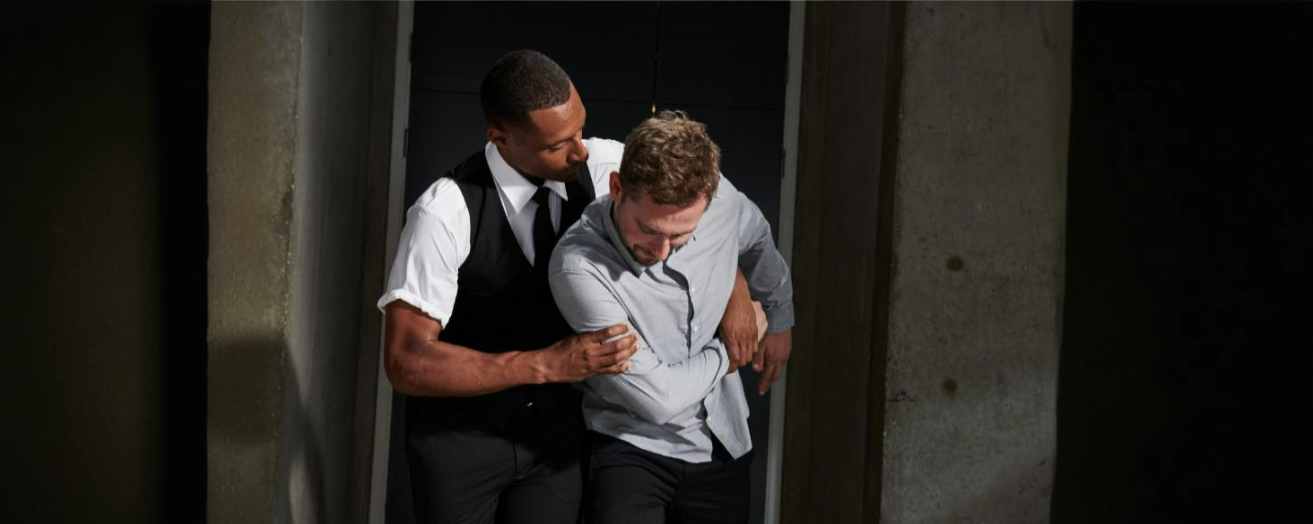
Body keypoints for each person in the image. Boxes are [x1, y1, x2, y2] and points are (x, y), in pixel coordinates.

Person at [377, 50, 761, 524]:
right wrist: (544, 364)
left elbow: (701, 211)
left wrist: (735, 289)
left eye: (580, 129)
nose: (579, 150)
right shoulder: (444, 211)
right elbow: (406, 360)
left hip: (558, 445)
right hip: (461, 445)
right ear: (500, 137)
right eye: (559, 143)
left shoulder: (603, 164)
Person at [549, 110, 795, 524]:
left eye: (680, 236)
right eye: (648, 229)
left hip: (723, 439)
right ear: (616, 188)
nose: (662, 251)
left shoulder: (723, 203)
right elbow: (656, 399)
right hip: (629, 450)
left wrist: (781, 318)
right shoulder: (578, 267)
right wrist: (732, 351)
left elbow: (757, 240)